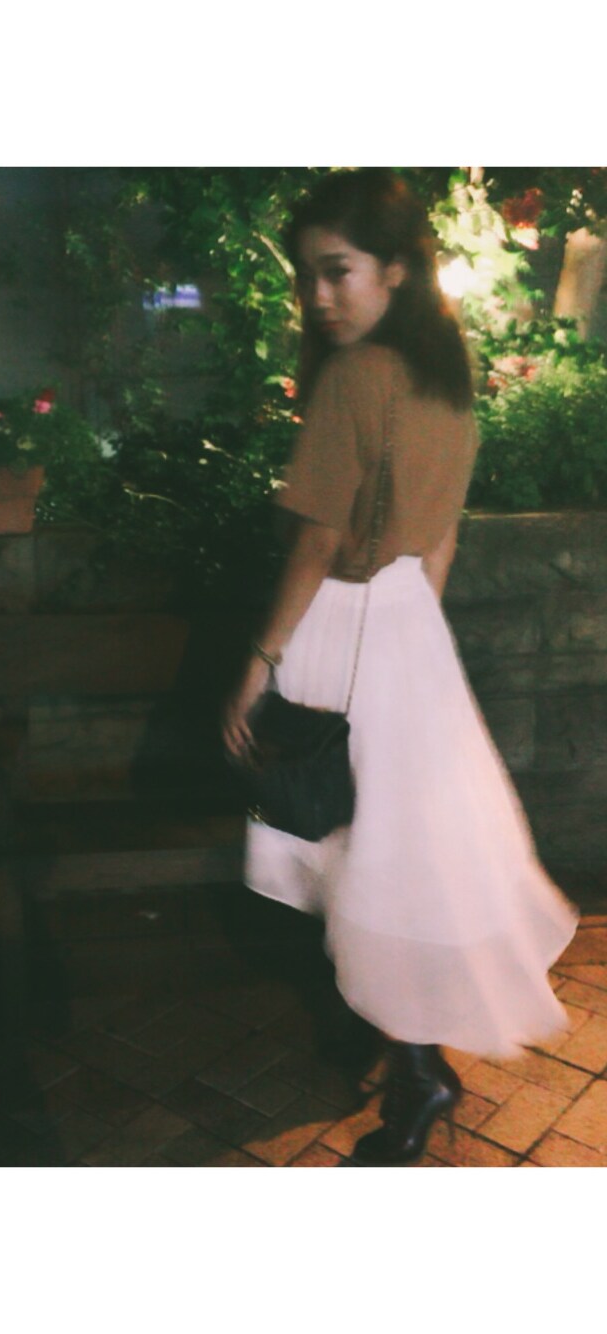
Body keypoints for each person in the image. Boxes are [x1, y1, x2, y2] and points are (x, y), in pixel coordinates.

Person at [222, 169, 578, 1167]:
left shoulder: (356, 377)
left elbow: (316, 541)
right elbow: (443, 537)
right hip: (410, 622)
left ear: (394, 269)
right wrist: (409, 620)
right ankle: (403, 1042)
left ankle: (417, 1068)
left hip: (344, 621)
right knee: (402, 847)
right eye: (307, 276)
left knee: (360, 844)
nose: (318, 296)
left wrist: (259, 661)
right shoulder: (445, 375)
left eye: (336, 270)